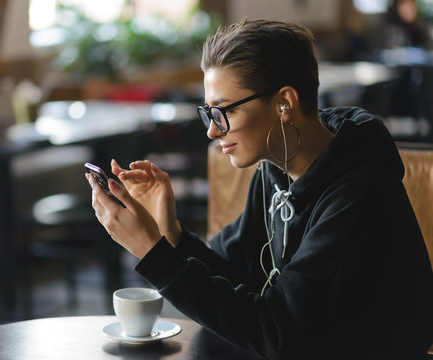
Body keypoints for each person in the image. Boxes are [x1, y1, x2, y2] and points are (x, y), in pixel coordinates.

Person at [86, 19, 433, 359]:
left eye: (223, 112)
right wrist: (171, 235)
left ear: (284, 103)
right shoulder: (275, 169)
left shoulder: (359, 192)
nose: (211, 131)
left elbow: (278, 332)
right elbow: (238, 279)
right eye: (208, 113)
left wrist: (151, 252)